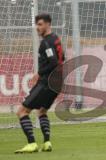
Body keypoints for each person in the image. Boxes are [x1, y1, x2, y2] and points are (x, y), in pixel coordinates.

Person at [15, 13, 64, 153]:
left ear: (48, 24)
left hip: (47, 82)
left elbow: (54, 62)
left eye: (40, 24)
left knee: (22, 111)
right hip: (57, 82)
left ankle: (31, 144)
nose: (37, 27)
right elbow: (62, 58)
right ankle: (47, 142)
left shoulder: (47, 42)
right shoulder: (56, 39)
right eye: (37, 24)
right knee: (42, 111)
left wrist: (40, 73)